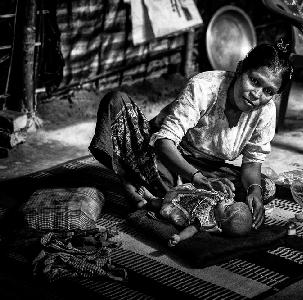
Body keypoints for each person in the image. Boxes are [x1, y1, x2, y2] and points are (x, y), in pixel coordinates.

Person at [89, 42, 292, 230]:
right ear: (240, 69)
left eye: (268, 91)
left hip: (206, 167)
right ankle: (136, 180)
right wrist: (197, 179)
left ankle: (152, 188)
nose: (257, 95)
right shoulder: (204, 86)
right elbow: (163, 143)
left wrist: (253, 191)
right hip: (166, 155)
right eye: (254, 81)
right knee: (115, 101)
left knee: (265, 188)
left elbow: (252, 163)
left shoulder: (266, 111)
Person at [154, 183, 252, 246]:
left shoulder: (206, 221)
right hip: (189, 196)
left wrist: (179, 237)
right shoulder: (221, 203)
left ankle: (150, 199)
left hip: (179, 207)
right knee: (176, 190)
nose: (228, 201)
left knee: (160, 204)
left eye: (227, 207)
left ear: (220, 222)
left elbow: (192, 229)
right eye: (233, 202)